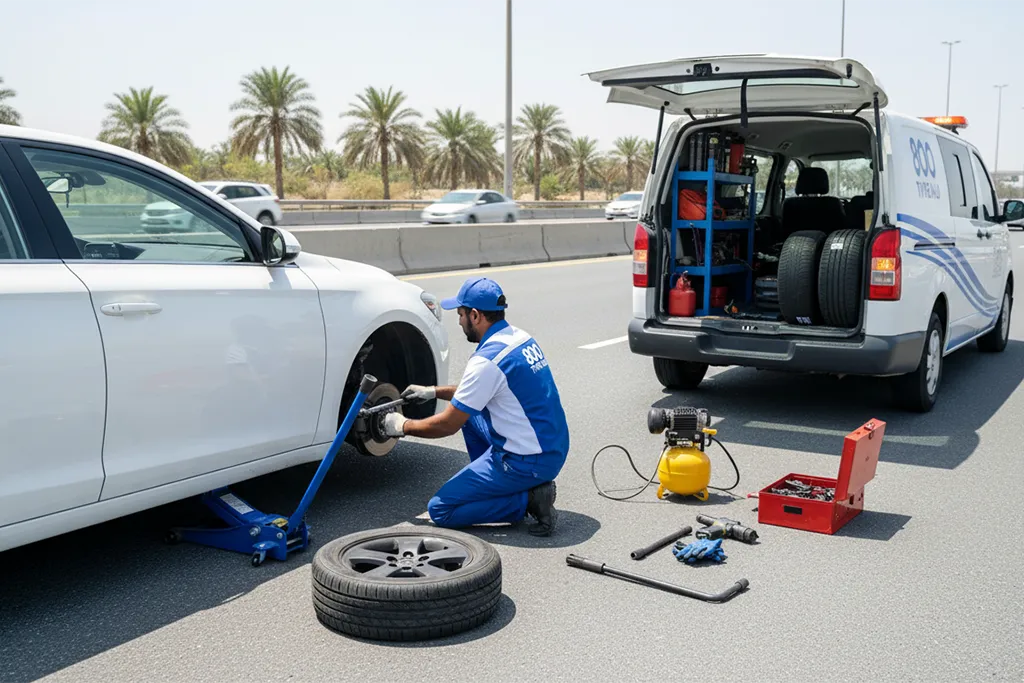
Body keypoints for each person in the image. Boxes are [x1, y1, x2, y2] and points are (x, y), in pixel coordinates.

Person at [381, 276, 569, 536]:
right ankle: (496, 486)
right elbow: (478, 392)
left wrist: (403, 426)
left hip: (529, 461)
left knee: (441, 509)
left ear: (476, 315)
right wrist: (432, 391)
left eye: (460, 314)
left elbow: (448, 424)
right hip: (551, 445)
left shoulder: (486, 361)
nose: (459, 322)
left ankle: (529, 499)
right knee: (469, 413)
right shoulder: (519, 338)